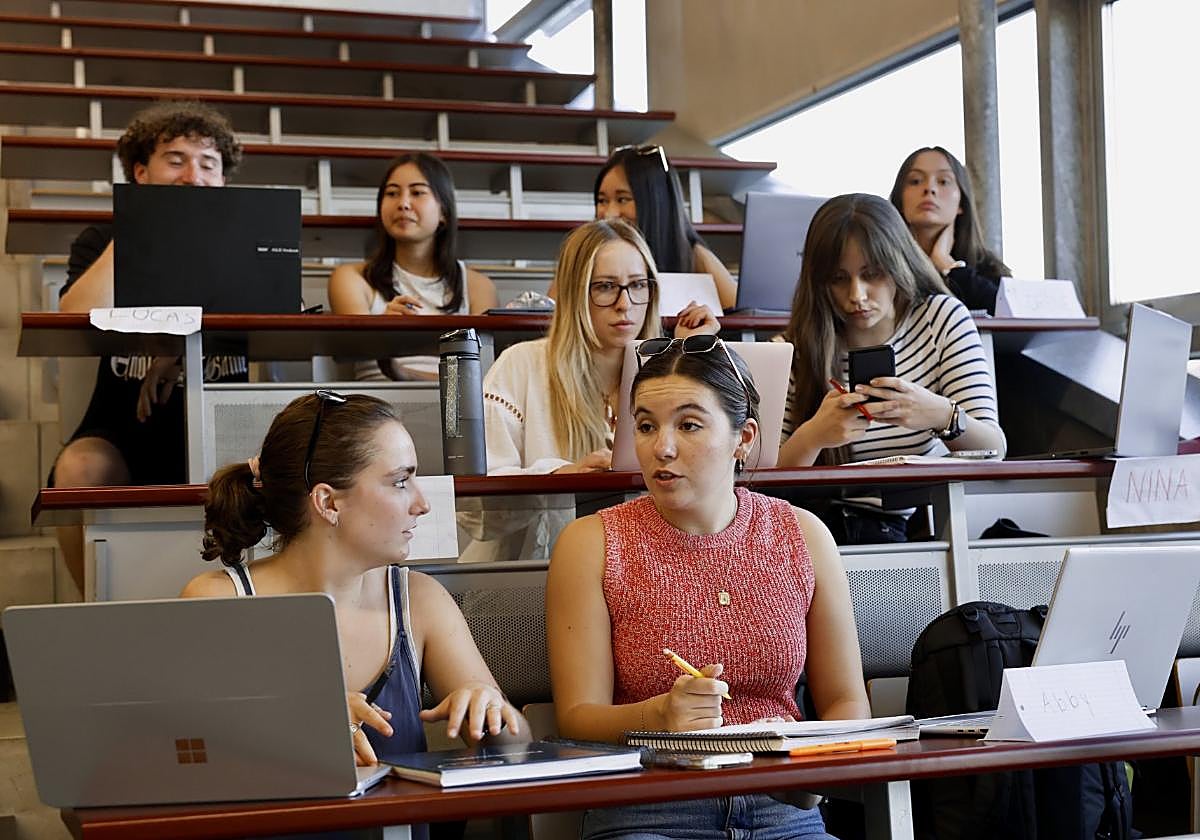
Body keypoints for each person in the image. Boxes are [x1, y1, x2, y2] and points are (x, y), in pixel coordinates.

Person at [546, 336, 868, 839]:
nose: (662, 447)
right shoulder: (591, 542)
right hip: (648, 809)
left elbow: (848, 702)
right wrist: (657, 715)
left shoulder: (801, 534)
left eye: (689, 425)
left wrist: (804, 770)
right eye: (646, 426)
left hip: (782, 808)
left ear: (744, 438)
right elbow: (576, 717)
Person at [181, 393, 526, 837]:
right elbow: (189, 762)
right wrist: (298, 722)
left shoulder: (419, 600)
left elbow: (518, 748)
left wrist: (492, 711)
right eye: (401, 481)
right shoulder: (218, 603)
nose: (421, 503)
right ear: (328, 502)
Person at [49, 100, 248, 593]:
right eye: (175, 160)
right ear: (140, 172)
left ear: (222, 181)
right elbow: (75, 313)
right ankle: (96, 608)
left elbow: (277, 324)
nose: (193, 176)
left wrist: (177, 346)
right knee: (79, 468)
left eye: (208, 164)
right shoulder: (101, 239)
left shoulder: (244, 244)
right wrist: (140, 226)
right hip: (124, 426)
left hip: (222, 424)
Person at [457, 218, 716, 562]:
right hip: (528, 578)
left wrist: (695, 363)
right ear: (575, 291)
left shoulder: (667, 370)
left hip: (648, 570)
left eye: (638, 285)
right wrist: (558, 480)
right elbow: (474, 511)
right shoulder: (521, 364)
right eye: (606, 287)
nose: (625, 304)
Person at [777, 194, 1006, 542]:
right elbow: (761, 483)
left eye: (872, 274)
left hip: (895, 531)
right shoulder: (797, 345)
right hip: (808, 531)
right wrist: (813, 437)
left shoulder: (940, 319)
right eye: (839, 279)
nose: (857, 295)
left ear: (899, 264)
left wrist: (941, 414)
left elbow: (994, 451)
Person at [328, 152, 498, 381]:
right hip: (374, 409)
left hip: (456, 410)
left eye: (417, 192)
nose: (403, 204)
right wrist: (382, 328)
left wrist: (405, 365)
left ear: (444, 213)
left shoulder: (478, 286)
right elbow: (359, 349)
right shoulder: (351, 278)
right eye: (392, 194)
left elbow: (479, 375)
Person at [581, 144, 737, 309]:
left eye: (623, 199)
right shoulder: (585, 253)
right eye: (602, 201)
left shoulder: (693, 255)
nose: (609, 214)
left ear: (656, 203)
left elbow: (742, 314)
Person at [889, 146, 1012, 314]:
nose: (929, 189)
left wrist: (947, 265)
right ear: (899, 200)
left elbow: (1008, 316)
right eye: (916, 181)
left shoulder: (988, 270)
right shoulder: (884, 266)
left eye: (943, 181)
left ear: (961, 202)